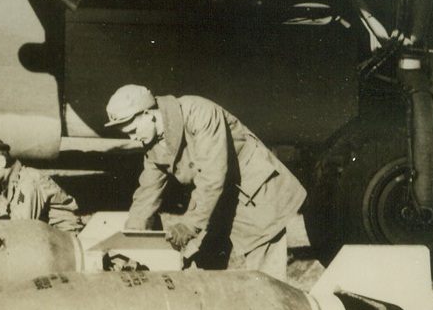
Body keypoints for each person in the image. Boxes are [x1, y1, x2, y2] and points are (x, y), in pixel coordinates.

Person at [104, 84, 306, 280]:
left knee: (266, 283)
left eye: (133, 130)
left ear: (148, 114)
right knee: (201, 273)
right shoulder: (154, 144)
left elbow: (212, 176)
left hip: (259, 196)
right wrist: (129, 243)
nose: (132, 138)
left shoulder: (199, 112)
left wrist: (189, 225)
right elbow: (146, 195)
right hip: (219, 201)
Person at [0, 138, 84, 234]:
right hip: (47, 238)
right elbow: (5, 219)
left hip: (65, 242)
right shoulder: (9, 184)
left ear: (1, 162)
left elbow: (22, 231)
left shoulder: (27, 183)